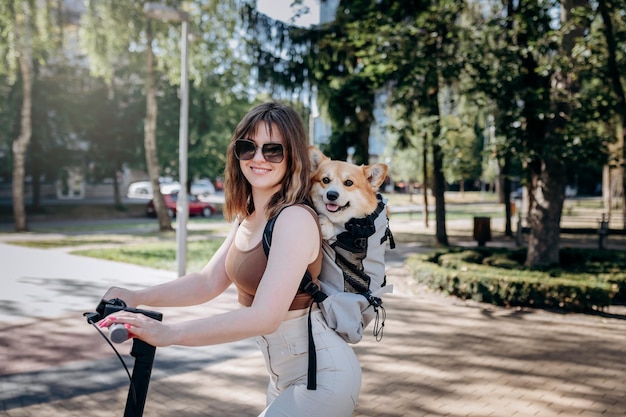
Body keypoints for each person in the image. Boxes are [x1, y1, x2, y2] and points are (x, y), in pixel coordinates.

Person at [98, 101, 362, 417]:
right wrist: (135, 296)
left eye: (273, 150)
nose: (258, 158)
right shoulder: (247, 217)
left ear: (292, 156)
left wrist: (171, 334)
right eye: (247, 147)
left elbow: (265, 316)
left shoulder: (294, 219)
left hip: (322, 377)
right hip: (282, 377)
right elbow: (206, 282)